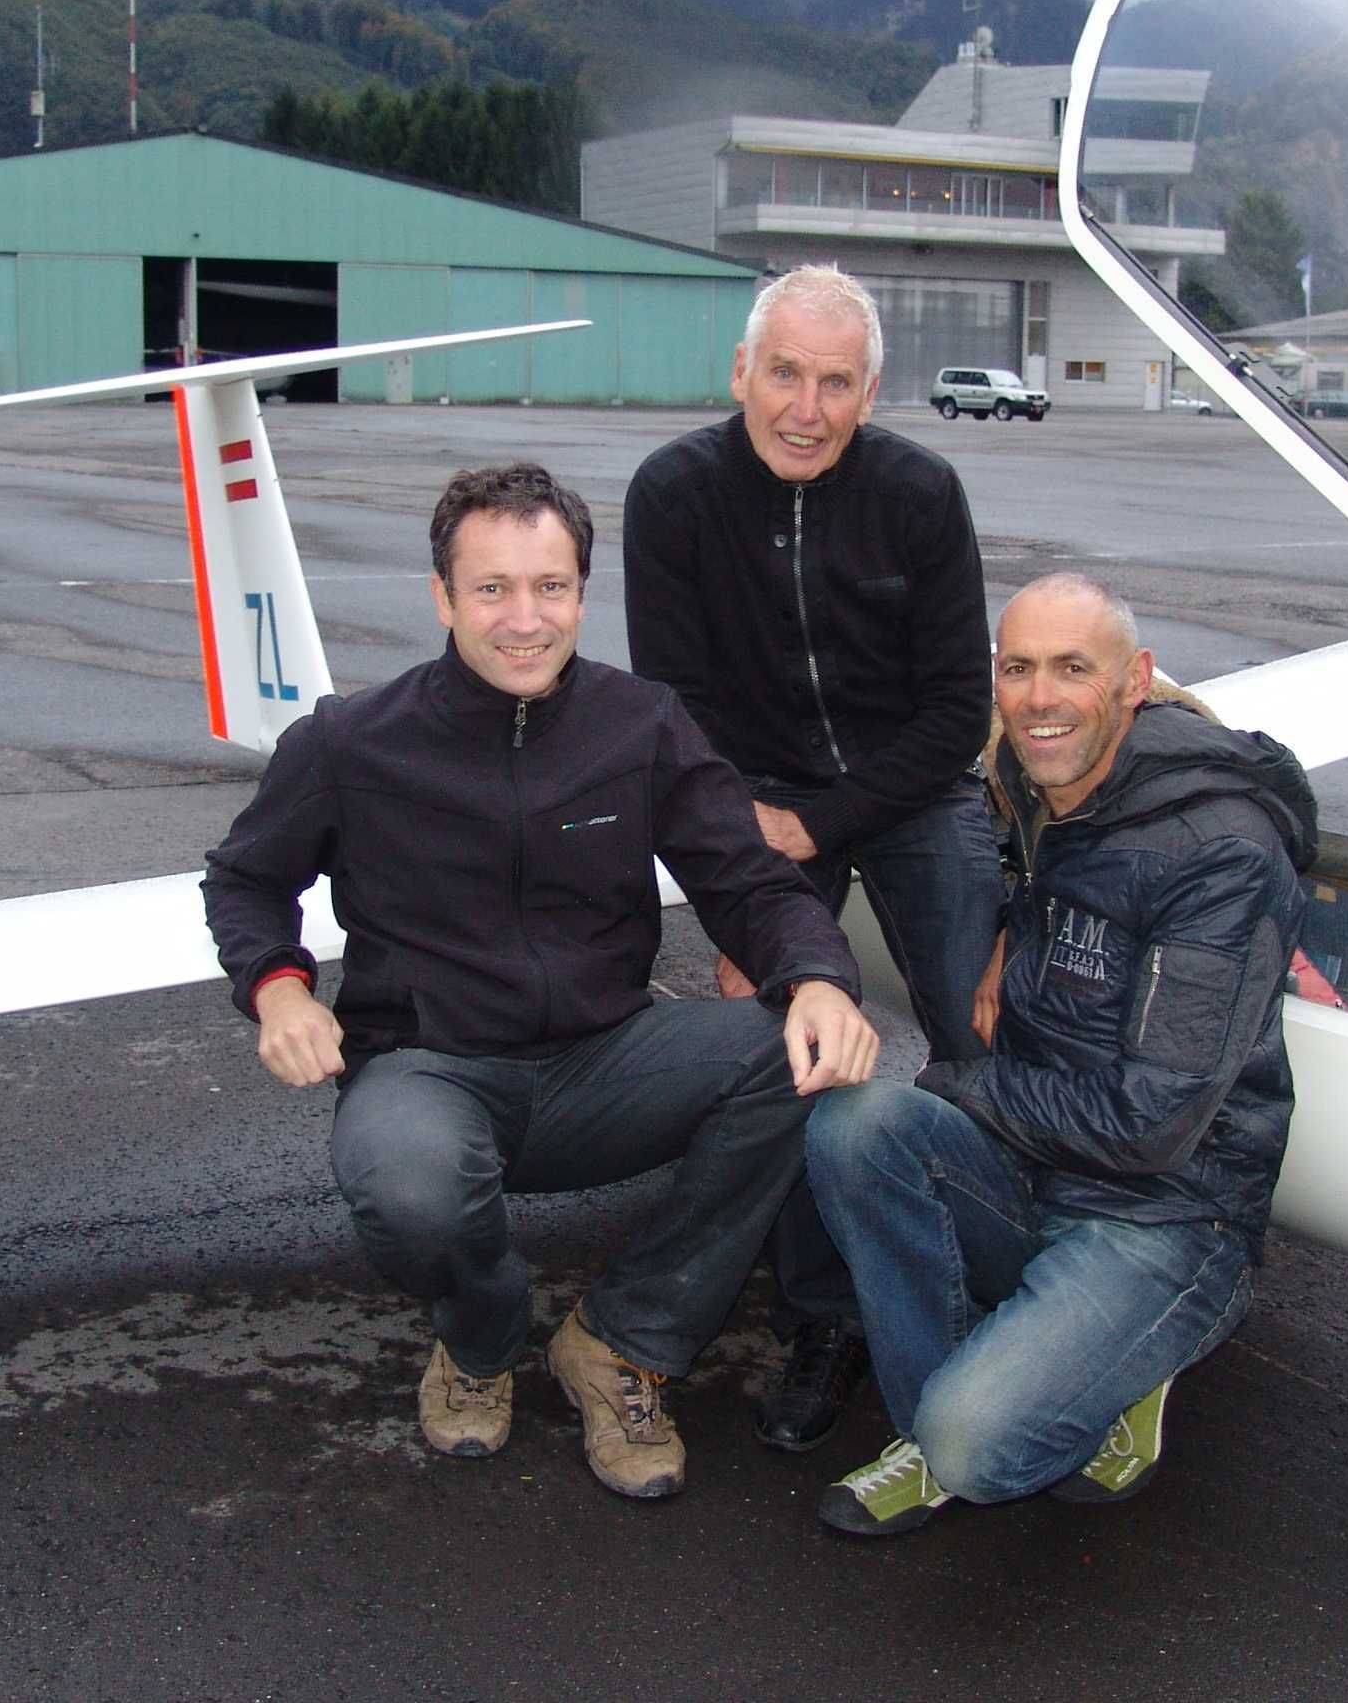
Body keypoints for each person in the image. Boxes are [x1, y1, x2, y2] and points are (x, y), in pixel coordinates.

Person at [202, 462, 879, 1502]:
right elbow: (245, 881)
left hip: (602, 1062)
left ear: (580, 592)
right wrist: (279, 988)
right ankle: (479, 1339)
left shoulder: (640, 725)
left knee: (800, 1055)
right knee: (408, 1184)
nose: (526, 619)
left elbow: (749, 882)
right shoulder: (349, 742)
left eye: (551, 588)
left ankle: (621, 1339)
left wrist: (819, 977)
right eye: (492, 589)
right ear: (442, 597)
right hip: (429, 1073)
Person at [805, 573, 1316, 1537]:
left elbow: (1149, 1122)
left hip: (1167, 1212)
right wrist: (1014, 926)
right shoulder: (1041, 783)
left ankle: (1104, 1372)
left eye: (1073, 669)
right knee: (854, 1124)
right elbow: (1056, 884)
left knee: (980, 1446)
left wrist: (962, 1084)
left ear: (1136, 681)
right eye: (1018, 668)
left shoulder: (1222, 851)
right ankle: (946, 1415)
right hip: (1040, 1168)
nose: (1039, 697)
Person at [623, 263, 1000, 1453]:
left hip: (908, 786)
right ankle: (826, 1316)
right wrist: (752, 846)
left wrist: (826, 822)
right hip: (752, 796)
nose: (806, 406)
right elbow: (671, 714)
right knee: (789, 1041)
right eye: (783, 373)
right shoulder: (673, 494)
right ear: (741, 371)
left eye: (836, 383)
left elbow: (956, 710)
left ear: (871, 392)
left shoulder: (921, 494)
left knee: (984, 1019)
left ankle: (1006, 1262)